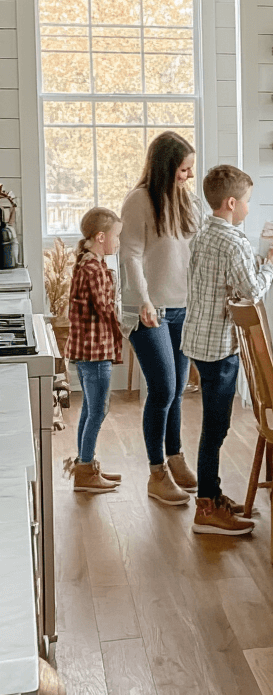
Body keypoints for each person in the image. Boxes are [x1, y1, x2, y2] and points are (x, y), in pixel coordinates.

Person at [181, 164, 273, 536]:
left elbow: (229, 281)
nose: (247, 209)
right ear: (230, 203)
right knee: (216, 428)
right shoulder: (233, 241)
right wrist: (272, 263)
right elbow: (252, 291)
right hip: (218, 348)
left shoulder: (205, 234)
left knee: (214, 427)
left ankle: (212, 494)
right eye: (245, 203)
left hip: (199, 340)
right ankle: (206, 509)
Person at [120, 131, 199, 507]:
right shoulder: (138, 201)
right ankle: (156, 473)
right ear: (168, 166)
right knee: (164, 388)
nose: (188, 176)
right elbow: (131, 255)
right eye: (184, 169)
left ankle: (175, 456)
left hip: (184, 307)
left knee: (178, 388)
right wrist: (145, 301)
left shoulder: (186, 200)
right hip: (149, 311)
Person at [64, 207, 123, 493]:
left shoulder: (84, 263)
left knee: (90, 409)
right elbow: (106, 309)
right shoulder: (96, 269)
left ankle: (85, 465)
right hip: (96, 351)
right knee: (98, 410)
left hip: (83, 351)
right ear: (101, 237)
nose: (118, 242)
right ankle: (85, 471)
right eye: (116, 237)